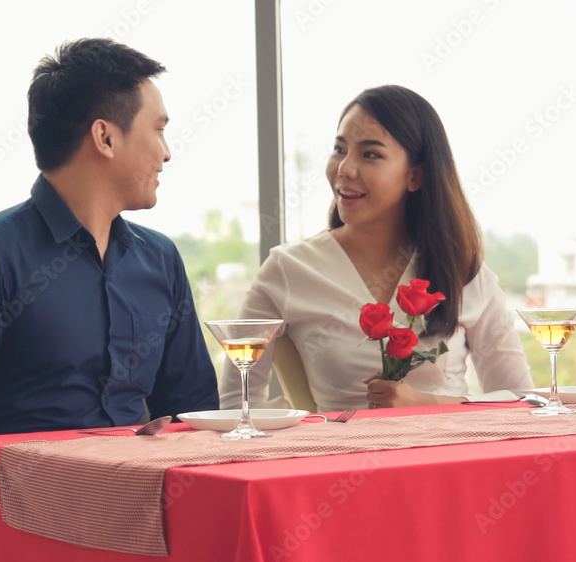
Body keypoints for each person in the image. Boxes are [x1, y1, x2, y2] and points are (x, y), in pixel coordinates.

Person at [0, 38, 218, 484]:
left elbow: (194, 412)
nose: (166, 153)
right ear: (105, 137)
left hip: (145, 525)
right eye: (159, 129)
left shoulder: (161, 260)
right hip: (24, 528)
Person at [220, 85, 532, 413]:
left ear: (415, 176)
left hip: (452, 455)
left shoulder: (462, 271)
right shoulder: (289, 269)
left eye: (370, 154)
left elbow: (523, 400)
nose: (345, 168)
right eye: (340, 149)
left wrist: (430, 404)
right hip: (339, 458)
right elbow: (236, 406)